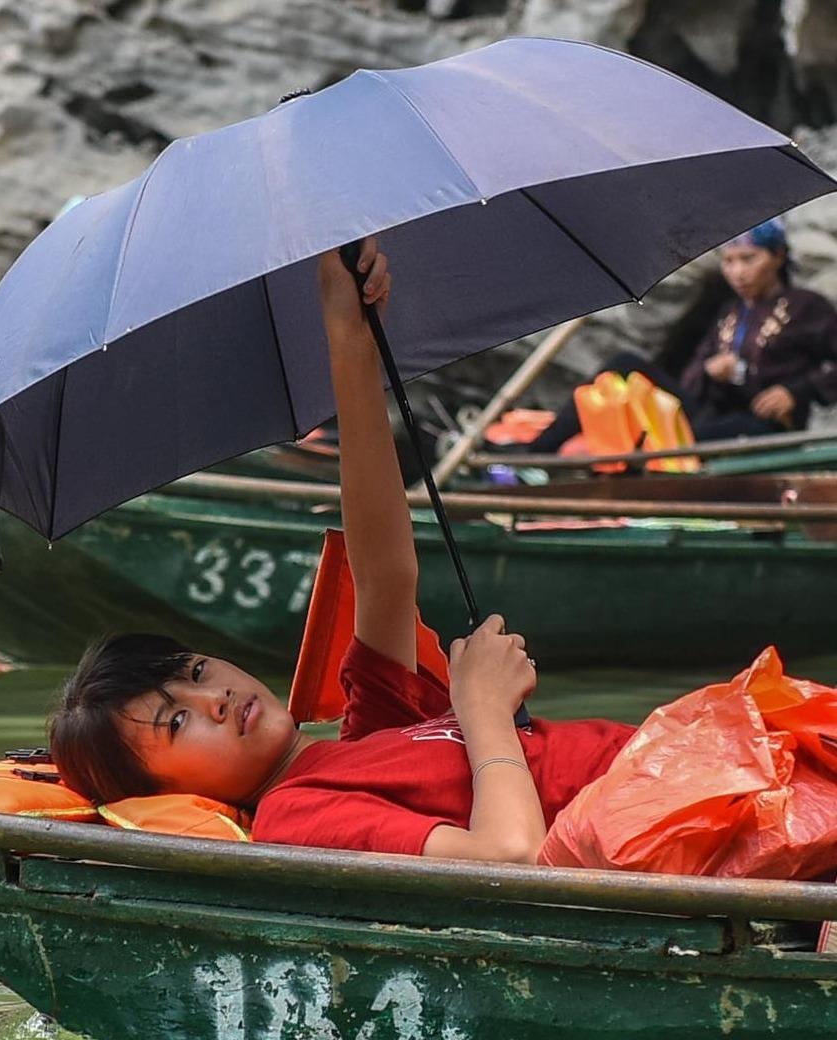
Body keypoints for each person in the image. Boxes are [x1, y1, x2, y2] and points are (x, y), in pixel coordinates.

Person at [49, 238, 636, 864]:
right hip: (664, 815)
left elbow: (384, 574)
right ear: (168, 795)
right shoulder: (296, 814)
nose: (213, 699)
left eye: (195, 672)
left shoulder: (370, 734)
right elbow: (507, 857)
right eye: (176, 723)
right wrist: (485, 707)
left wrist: (349, 338)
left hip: (677, 760)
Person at [524, 219, 837, 453]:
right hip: (711, 418)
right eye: (729, 261)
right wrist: (709, 371)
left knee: (667, 442)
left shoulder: (806, 307)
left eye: (748, 258)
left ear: (778, 256)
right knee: (624, 364)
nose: (737, 272)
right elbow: (690, 379)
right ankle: (539, 451)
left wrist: (797, 391)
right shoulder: (729, 312)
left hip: (762, 426)